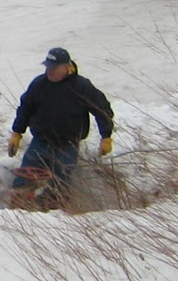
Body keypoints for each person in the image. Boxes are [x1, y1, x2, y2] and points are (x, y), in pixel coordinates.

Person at [7, 47, 114, 201]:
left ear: (67, 67)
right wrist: (17, 133)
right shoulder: (39, 84)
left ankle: (53, 210)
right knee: (24, 180)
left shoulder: (81, 87)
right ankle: (20, 208)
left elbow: (102, 110)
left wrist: (106, 137)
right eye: (47, 67)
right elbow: (25, 109)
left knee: (59, 184)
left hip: (67, 146)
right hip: (40, 142)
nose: (49, 71)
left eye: (54, 68)